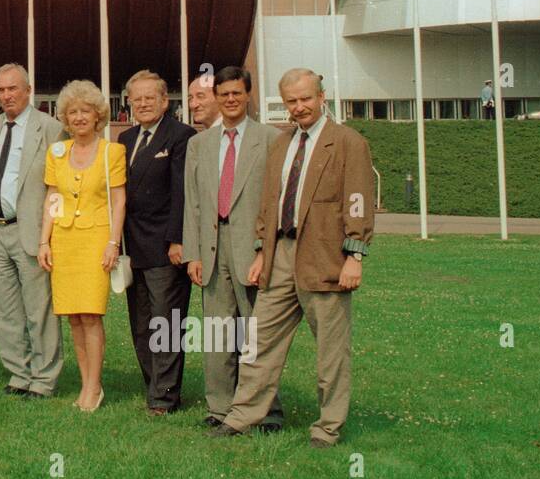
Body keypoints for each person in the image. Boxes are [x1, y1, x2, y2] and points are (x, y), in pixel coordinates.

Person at [212, 69, 375, 448]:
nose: (298, 107)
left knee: (330, 350)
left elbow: (358, 202)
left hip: (325, 255)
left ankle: (328, 427)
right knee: (258, 341)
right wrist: (260, 251)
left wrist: (355, 255)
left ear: (321, 96)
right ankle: (241, 417)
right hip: (280, 255)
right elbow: (270, 203)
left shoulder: (348, 143)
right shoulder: (282, 145)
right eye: (291, 101)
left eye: (305, 99)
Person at [182, 66, 282, 429]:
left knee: (257, 333)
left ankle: (266, 410)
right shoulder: (199, 144)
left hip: (250, 249)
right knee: (218, 333)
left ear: (248, 94)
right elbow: (192, 202)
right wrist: (192, 252)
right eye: (223, 94)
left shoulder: (270, 139)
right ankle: (220, 408)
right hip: (211, 248)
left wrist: (263, 251)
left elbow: (273, 202)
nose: (230, 99)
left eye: (236, 93)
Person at [38, 80, 126, 412]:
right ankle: (86, 384)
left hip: (96, 241)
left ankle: (93, 387)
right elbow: (53, 197)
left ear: (98, 115)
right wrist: (44, 240)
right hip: (64, 241)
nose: (78, 117)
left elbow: (119, 202)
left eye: (85, 111)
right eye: (72, 112)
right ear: (65, 117)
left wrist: (112, 243)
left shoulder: (112, 152)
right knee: (73, 317)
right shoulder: (57, 153)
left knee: (91, 315)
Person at [0, 63, 65, 398]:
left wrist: (50, 234)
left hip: (30, 231)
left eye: (12, 88)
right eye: (0, 90)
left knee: (38, 309)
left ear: (28, 90)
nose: (6, 96)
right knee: (5, 309)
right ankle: (18, 373)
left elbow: (57, 189)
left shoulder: (51, 129)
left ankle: (44, 379)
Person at [119, 70, 195, 415]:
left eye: (151, 97)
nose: (144, 103)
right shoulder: (125, 139)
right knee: (141, 323)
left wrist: (177, 240)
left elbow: (182, 193)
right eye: (137, 98)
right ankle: (153, 383)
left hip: (166, 248)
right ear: (129, 103)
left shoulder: (182, 136)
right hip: (133, 248)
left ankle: (164, 397)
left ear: (165, 101)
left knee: (166, 323)